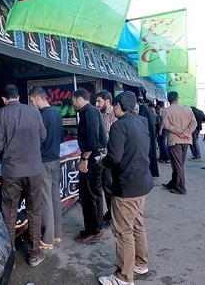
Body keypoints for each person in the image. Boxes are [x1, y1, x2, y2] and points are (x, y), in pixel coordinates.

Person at [98, 91, 154, 285]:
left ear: (118, 105)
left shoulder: (119, 125)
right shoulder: (141, 123)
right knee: (137, 225)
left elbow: (114, 157)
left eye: (114, 105)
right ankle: (140, 264)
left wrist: (102, 161)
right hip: (142, 182)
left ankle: (123, 277)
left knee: (123, 231)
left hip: (127, 186)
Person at [0, 84, 47, 267]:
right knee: (34, 210)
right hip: (33, 169)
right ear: (19, 97)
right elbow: (43, 136)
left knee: (9, 212)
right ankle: (34, 254)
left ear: (4, 99)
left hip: (11, 170)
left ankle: (10, 258)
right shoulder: (33, 112)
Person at [29, 86, 64, 250]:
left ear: (37, 98)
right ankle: (57, 234)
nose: (32, 104)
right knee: (55, 196)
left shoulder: (41, 116)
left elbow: (36, 140)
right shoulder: (57, 114)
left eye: (31, 101)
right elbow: (61, 137)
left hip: (44, 161)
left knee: (45, 199)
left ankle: (48, 238)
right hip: (56, 158)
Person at [71, 88, 107, 244]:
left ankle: (93, 231)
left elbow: (92, 139)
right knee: (94, 193)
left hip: (92, 159)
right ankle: (95, 228)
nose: (72, 105)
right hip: (94, 157)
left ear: (79, 99)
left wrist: (84, 158)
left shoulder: (90, 112)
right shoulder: (89, 112)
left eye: (73, 101)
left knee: (89, 195)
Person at [160, 91, 196, 195]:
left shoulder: (166, 111)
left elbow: (167, 125)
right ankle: (173, 183)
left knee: (177, 164)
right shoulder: (188, 110)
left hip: (175, 140)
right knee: (179, 164)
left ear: (168, 100)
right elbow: (194, 123)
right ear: (177, 98)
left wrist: (179, 132)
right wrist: (186, 132)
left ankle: (180, 187)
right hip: (186, 139)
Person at [94, 89, 118, 229]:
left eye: (99, 101)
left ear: (107, 101)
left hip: (110, 158)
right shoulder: (101, 115)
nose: (97, 104)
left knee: (109, 189)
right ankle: (110, 213)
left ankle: (113, 216)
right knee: (105, 187)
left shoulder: (114, 116)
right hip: (102, 157)